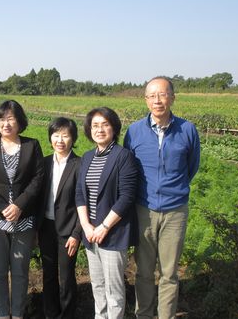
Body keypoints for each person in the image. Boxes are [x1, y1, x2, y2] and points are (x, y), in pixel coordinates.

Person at [123, 76, 200, 319]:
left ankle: (165, 315)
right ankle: (143, 314)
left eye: (163, 94)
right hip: (143, 208)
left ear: (173, 97)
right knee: (144, 271)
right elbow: (129, 168)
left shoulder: (187, 129)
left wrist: (173, 189)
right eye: (152, 96)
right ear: (146, 100)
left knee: (169, 273)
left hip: (175, 210)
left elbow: (192, 166)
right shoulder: (134, 131)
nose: (158, 100)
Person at [0, 100, 44, 319]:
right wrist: (3, 208)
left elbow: (38, 178)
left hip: (23, 219)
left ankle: (17, 314)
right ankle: (3, 314)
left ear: (20, 122)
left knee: (20, 271)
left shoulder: (32, 145)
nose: (6, 124)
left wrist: (19, 206)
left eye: (11, 119)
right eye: (1, 119)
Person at [76, 107, 138, 319]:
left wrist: (104, 227)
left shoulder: (124, 157)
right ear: (88, 129)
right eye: (95, 125)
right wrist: (86, 226)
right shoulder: (87, 157)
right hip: (91, 233)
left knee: (114, 292)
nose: (99, 129)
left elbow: (127, 197)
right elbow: (80, 194)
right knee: (98, 287)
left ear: (114, 128)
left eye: (105, 124)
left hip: (112, 233)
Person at [37, 117, 82, 319]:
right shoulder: (44, 163)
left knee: (66, 277)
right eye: (56, 135)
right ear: (50, 137)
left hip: (68, 231)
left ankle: (67, 315)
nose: (60, 140)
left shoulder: (80, 164)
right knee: (48, 275)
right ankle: (50, 313)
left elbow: (86, 203)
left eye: (65, 135)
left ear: (73, 138)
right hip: (45, 226)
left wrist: (76, 234)